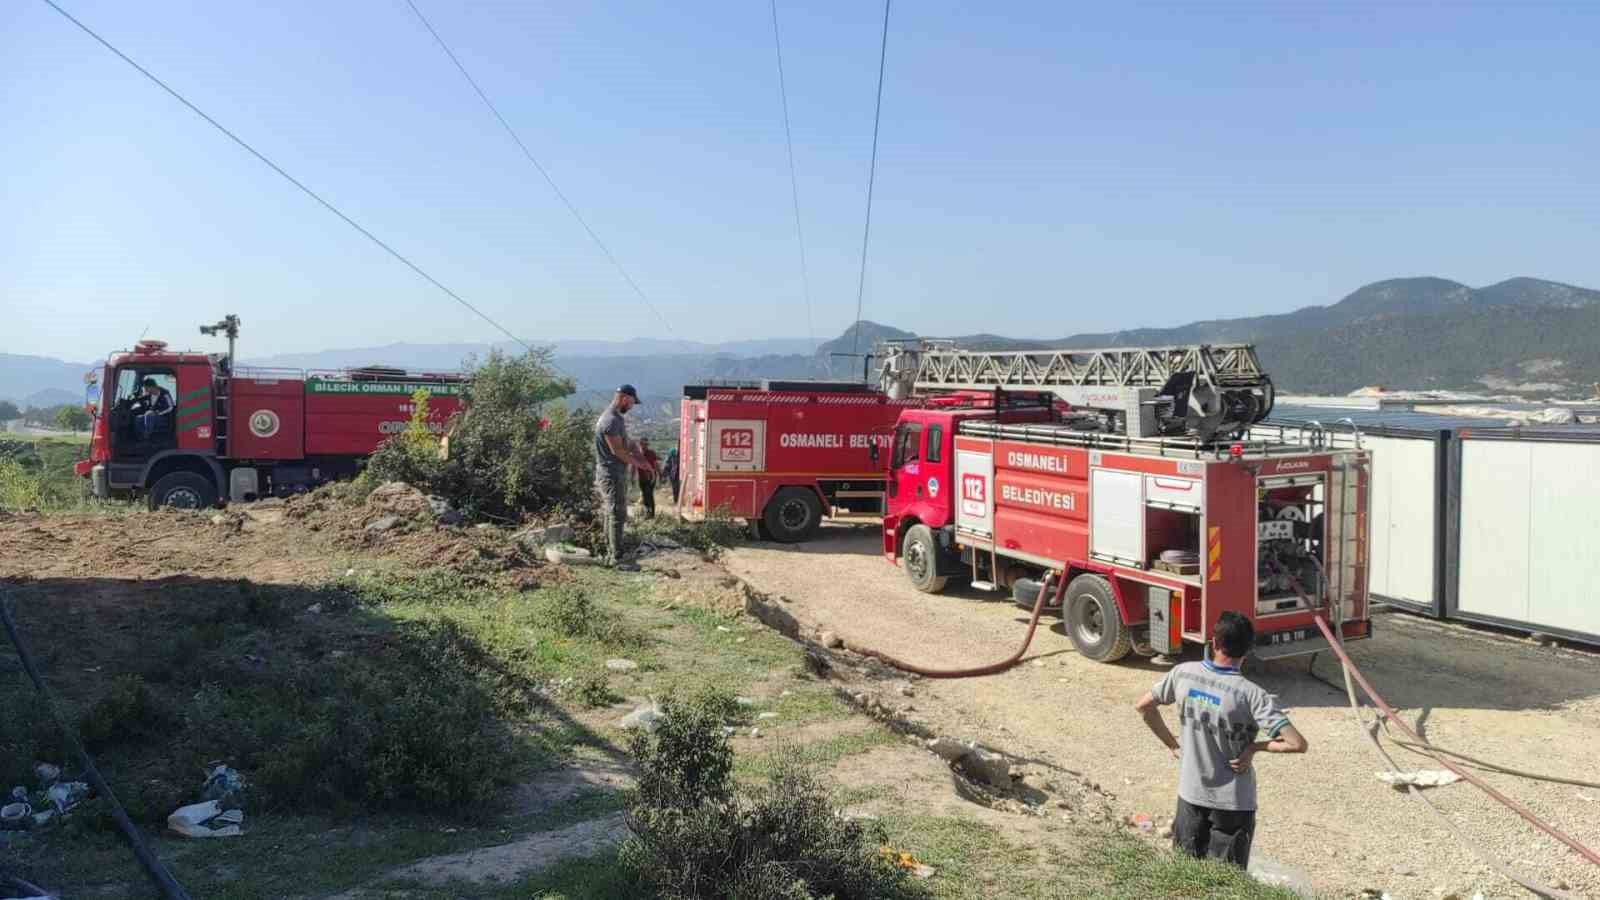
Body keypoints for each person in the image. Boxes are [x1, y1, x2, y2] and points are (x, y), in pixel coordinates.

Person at [1134, 611, 1307, 869]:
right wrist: (1254, 747)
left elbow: (1144, 707)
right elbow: (1297, 744)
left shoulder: (1184, 674)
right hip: (1234, 805)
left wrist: (1173, 746)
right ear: (1248, 650)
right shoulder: (1252, 695)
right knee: (1225, 884)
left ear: (1214, 643)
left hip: (1191, 797)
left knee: (1184, 874)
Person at [594, 384, 655, 570]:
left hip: (614, 473)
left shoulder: (616, 419)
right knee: (616, 513)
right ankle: (616, 556)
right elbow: (618, 451)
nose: (631, 407)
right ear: (624, 398)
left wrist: (638, 453)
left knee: (613, 512)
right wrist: (641, 464)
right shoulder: (611, 420)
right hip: (610, 473)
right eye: (631, 403)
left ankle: (610, 550)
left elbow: (627, 443)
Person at [636, 438, 660, 519]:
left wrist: (660, 474)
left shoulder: (651, 453)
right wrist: (632, 477)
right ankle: (647, 512)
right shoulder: (638, 454)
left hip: (651, 478)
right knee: (644, 495)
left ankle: (651, 514)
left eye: (646, 445)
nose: (645, 446)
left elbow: (656, 464)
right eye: (643, 444)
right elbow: (633, 466)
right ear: (640, 444)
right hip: (641, 478)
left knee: (649, 494)